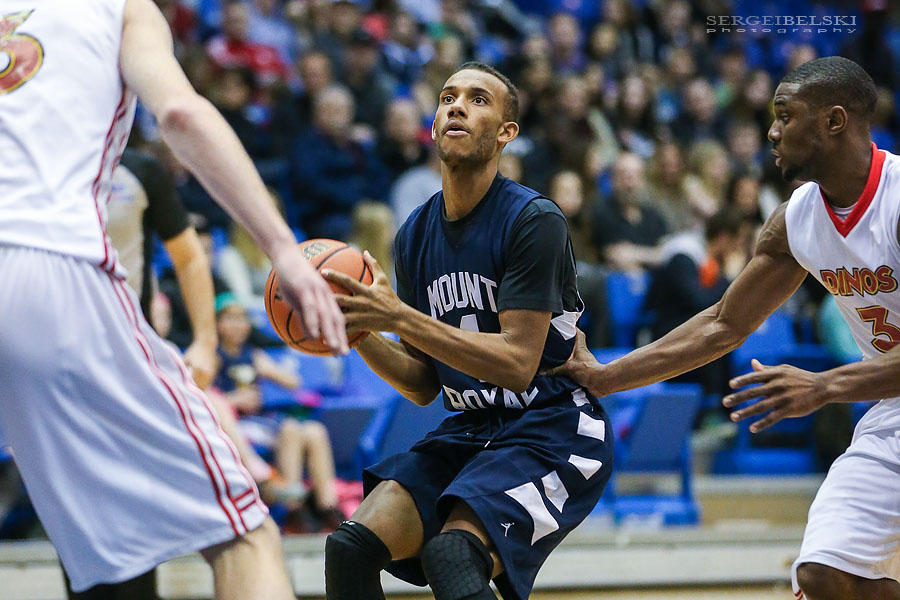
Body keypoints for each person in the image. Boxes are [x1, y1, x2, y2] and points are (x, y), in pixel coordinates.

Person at [0, 1, 347, 598]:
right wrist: (282, 249)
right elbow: (182, 114)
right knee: (244, 534)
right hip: (49, 269)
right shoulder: (119, 9)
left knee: (112, 546)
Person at [548, 57, 900, 600]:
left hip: (873, 390)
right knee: (825, 573)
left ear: (834, 121)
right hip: (891, 410)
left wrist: (825, 386)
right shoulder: (797, 219)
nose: (772, 131)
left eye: (786, 115)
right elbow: (722, 323)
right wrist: (606, 377)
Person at [321, 62, 613, 600]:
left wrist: (396, 317)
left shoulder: (534, 220)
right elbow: (423, 383)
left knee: (452, 554)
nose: (457, 106)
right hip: (475, 426)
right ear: (433, 125)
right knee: (349, 547)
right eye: (447, 97)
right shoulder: (414, 234)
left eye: (478, 99)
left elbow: (517, 363)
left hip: (552, 426)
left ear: (506, 132)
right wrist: (361, 330)